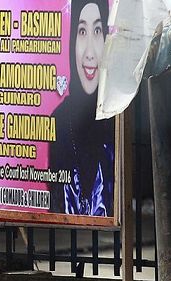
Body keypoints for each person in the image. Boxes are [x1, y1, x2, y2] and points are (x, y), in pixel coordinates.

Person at [48, 0, 115, 216]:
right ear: (71, 42)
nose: (89, 53)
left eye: (97, 30)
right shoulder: (58, 121)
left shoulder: (117, 117)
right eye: (82, 31)